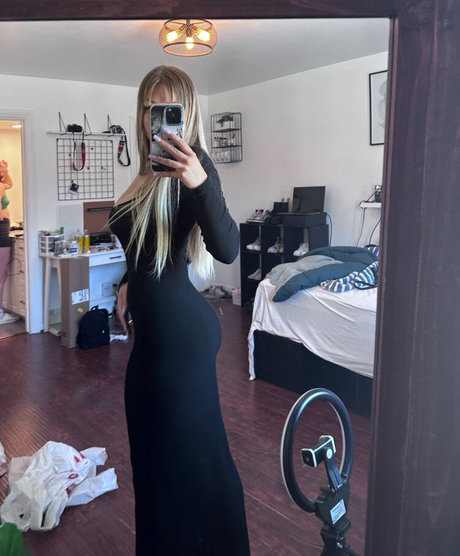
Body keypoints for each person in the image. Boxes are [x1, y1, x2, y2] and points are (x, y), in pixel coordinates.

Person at [109, 66, 250, 555]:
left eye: (170, 108)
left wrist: (198, 181)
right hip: (152, 342)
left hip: (182, 342)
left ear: (187, 113)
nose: (160, 117)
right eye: (152, 107)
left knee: (196, 463)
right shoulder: (145, 172)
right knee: (154, 463)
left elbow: (228, 249)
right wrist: (128, 282)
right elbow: (145, 250)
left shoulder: (194, 167)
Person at [0, 160, 16, 325]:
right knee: (1, 275)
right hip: (1, 229)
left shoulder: (2, 185)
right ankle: (0, 314)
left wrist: (5, 170)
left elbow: (10, 184)